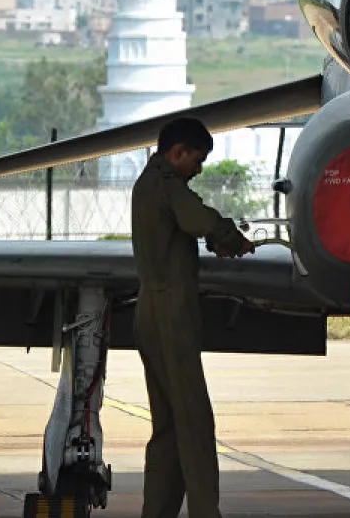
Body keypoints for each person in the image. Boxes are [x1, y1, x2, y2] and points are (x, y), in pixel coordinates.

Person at [130, 117, 253, 518]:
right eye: (196, 161)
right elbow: (198, 218)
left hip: (149, 308)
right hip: (171, 314)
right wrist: (230, 236)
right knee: (194, 425)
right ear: (177, 153)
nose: (197, 170)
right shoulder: (168, 186)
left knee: (167, 428)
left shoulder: (145, 184)